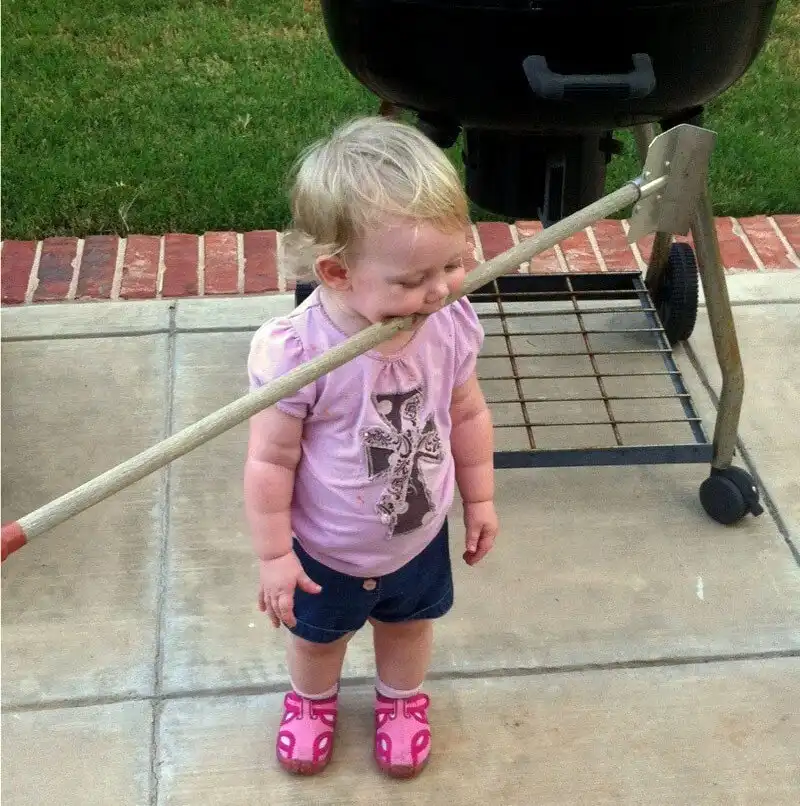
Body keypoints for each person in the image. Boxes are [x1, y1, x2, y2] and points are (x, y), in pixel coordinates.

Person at [244, 117, 498, 779]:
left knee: (409, 628)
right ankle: (311, 702)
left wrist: (480, 498)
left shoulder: (447, 324)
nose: (439, 290)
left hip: (417, 537)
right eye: (412, 280)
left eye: (453, 264)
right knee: (317, 640)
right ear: (337, 273)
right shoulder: (300, 355)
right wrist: (274, 555)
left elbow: (467, 413)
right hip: (325, 549)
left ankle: (401, 700)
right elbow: (270, 461)